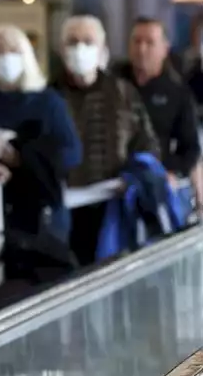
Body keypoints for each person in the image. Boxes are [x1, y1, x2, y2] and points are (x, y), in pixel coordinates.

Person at [0, 24, 82, 302]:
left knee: (48, 292)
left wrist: (25, 157)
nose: (6, 58)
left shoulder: (48, 103)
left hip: (44, 216)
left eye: (13, 50)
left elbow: (71, 152)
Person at [51, 14, 161, 265]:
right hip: (63, 213)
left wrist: (133, 177)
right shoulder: (49, 97)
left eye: (88, 41)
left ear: (103, 50)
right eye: (73, 41)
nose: (80, 48)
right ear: (61, 49)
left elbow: (148, 145)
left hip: (115, 210)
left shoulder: (123, 93)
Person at [119, 17, 203, 204]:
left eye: (150, 43)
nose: (142, 49)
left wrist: (170, 170)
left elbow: (190, 148)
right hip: (113, 181)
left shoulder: (177, 92)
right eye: (137, 41)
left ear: (164, 48)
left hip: (154, 180)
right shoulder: (113, 83)